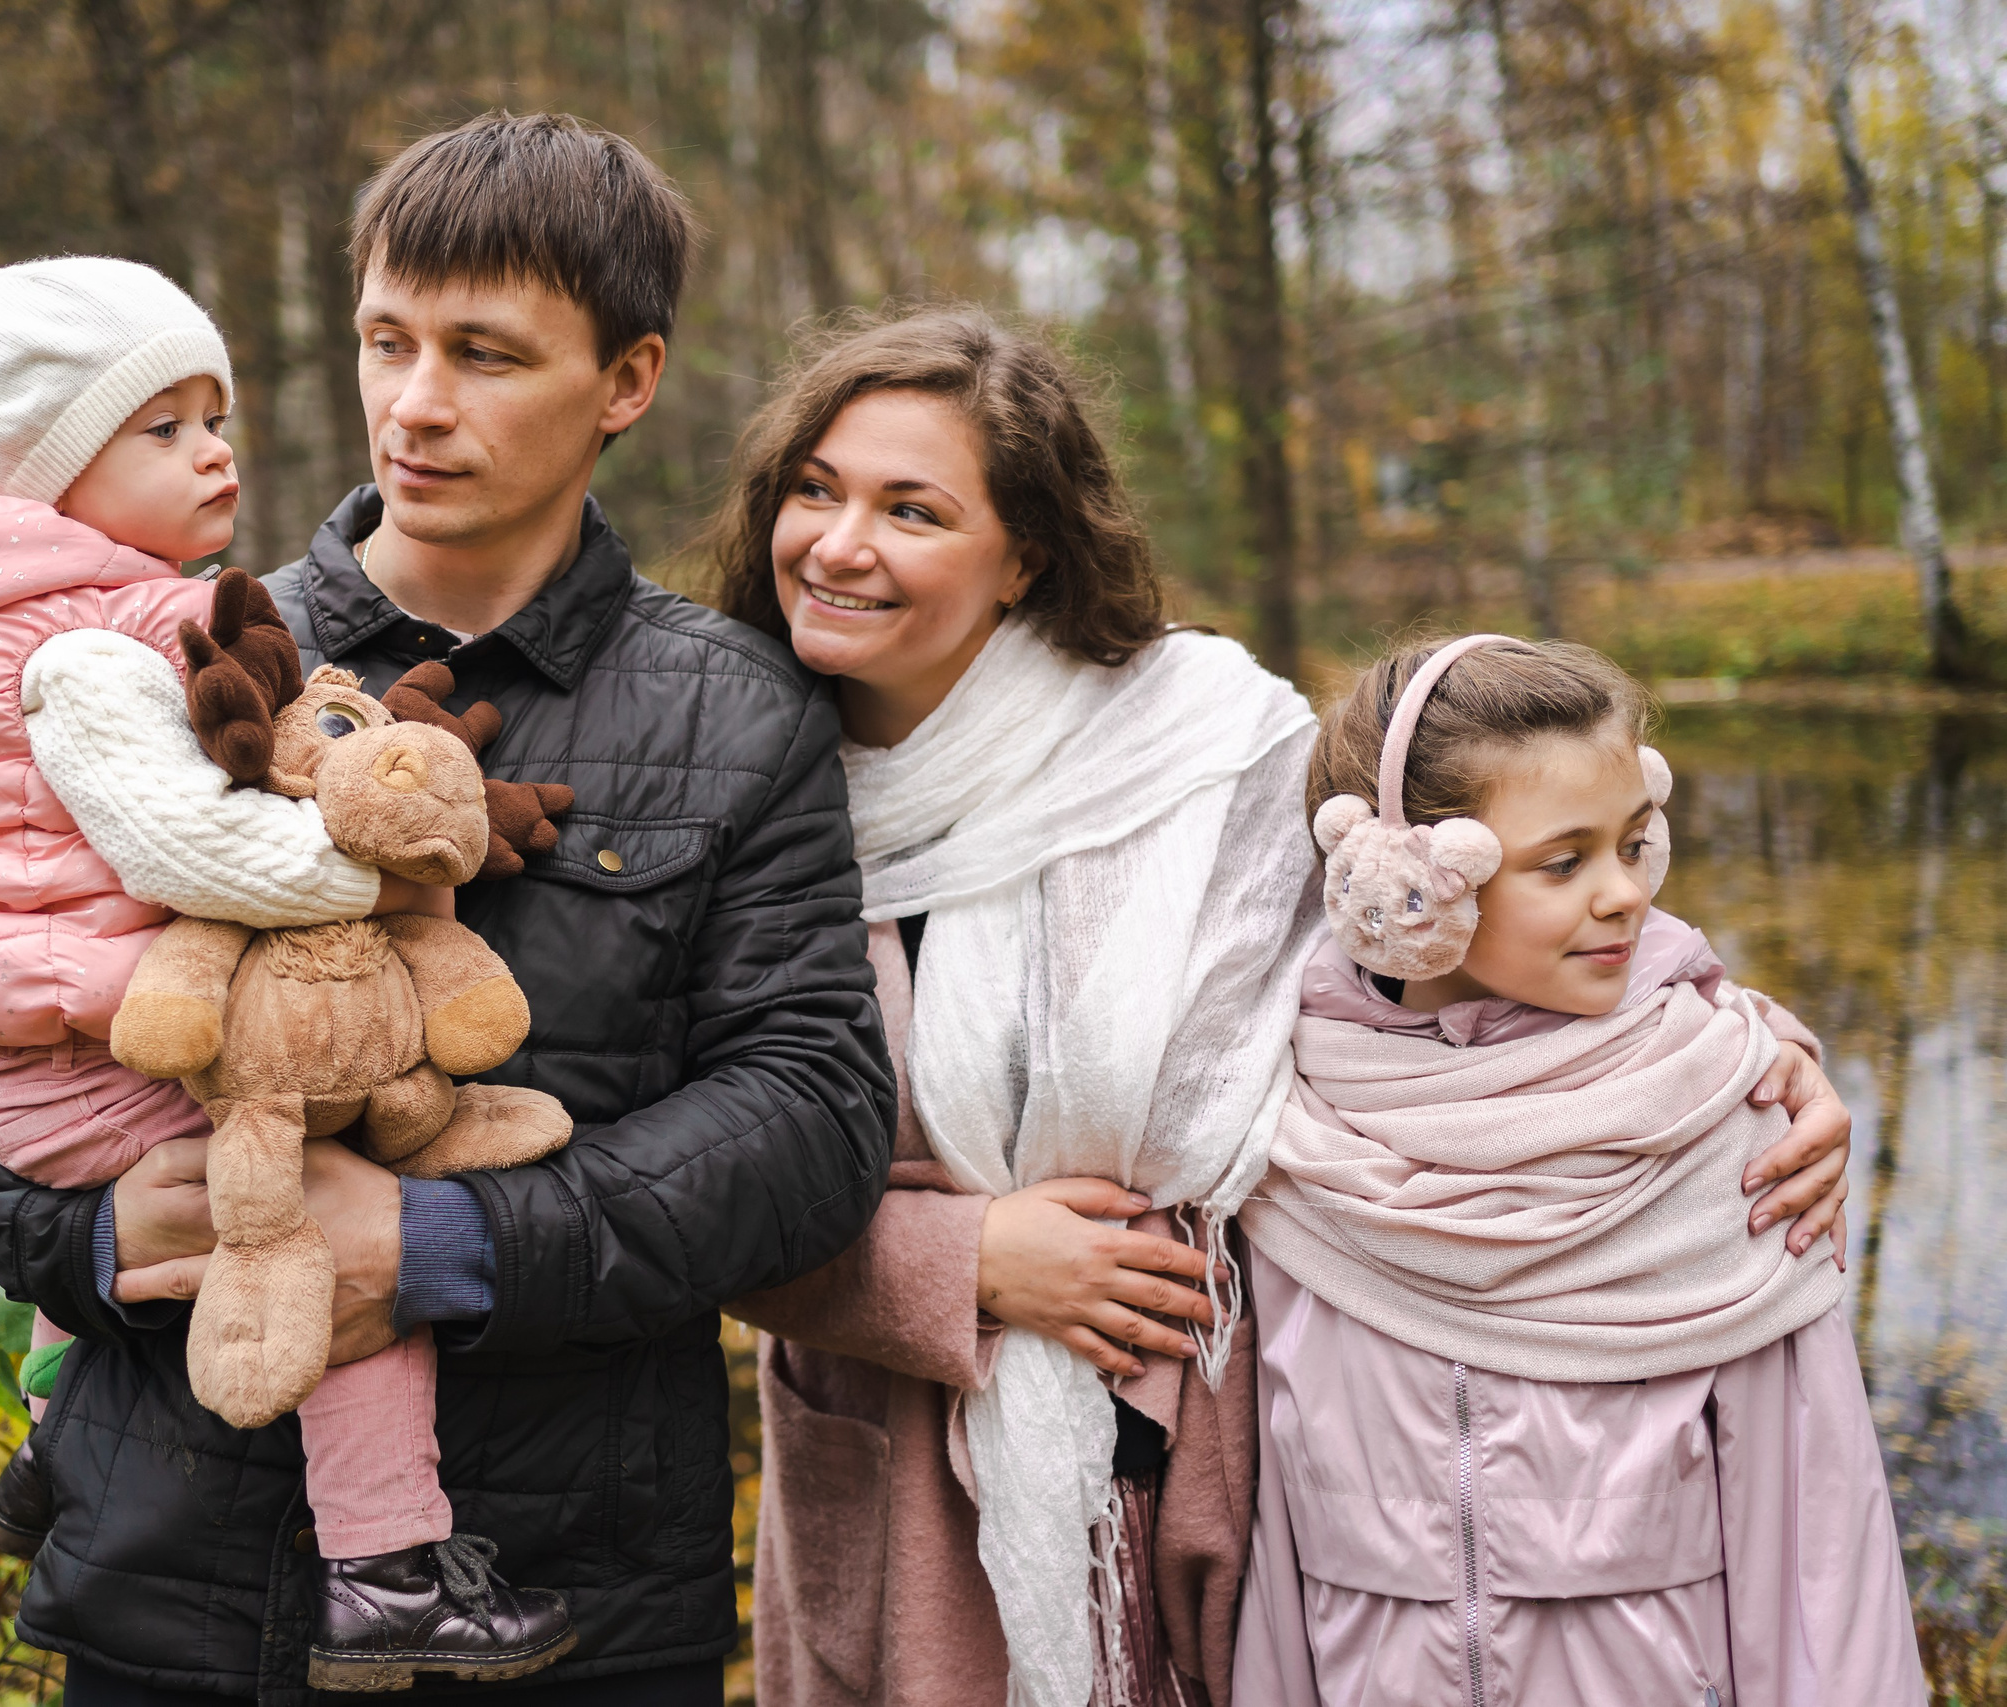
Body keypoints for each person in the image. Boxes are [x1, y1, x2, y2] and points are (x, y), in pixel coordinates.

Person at [0, 113, 895, 1706]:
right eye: (387, 340)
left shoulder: (738, 709)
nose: (416, 402)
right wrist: (86, 1232)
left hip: (570, 1605)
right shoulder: (180, 645)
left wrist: (440, 1243)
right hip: (171, 1582)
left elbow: (811, 1115)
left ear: (627, 379)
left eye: (485, 353)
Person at [713, 309, 1859, 1707]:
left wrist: (1746, 1049)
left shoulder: (1206, 743)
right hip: (900, 1491)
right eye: (815, 489)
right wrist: (959, 1264)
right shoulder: (729, 782)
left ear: (1026, 552)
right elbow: (676, 1185)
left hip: (1207, 1479)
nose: (838, 543)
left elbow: (1451, 937)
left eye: (911, 508)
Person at [0, 255, 580, 1688]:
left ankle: (48, 1441)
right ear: (49, 470)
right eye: (161, 429)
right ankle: (387, 1568)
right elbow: (191, 849)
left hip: (42, 1042)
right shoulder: (79, 651)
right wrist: (393, 865)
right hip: (103, 1046)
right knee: (329, 1238)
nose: (215, 451)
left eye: (213, 416)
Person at [1233, 634, 1917, 1704]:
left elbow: (1818, 1560)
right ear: (1403, 878)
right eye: (1563, 863)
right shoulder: (1284, 1137)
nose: (1624, 894)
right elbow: (1273, 1562)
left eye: (1634, 843)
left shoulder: (1726, 1127)